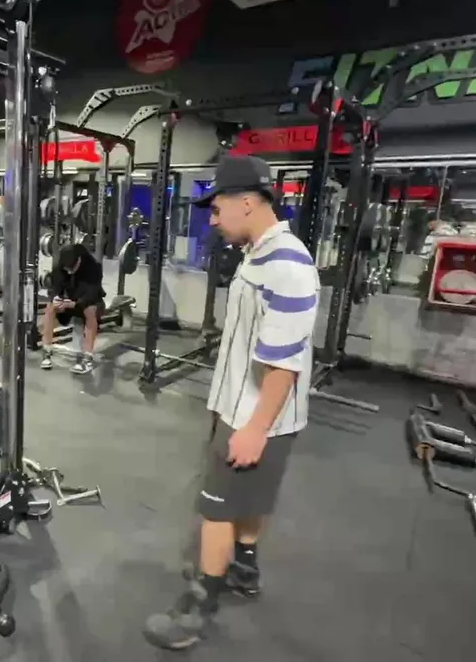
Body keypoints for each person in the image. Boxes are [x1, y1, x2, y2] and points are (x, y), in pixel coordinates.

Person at [143, 155, 320, 651]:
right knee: (249, 500)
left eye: (218, 208)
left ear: (247, 202)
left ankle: (198, 610)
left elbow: (284, 363)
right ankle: (244, 567)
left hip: (255, 415)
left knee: (216, 510)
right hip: (241, 409)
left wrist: (255, 428)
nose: (214, 220)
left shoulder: (286, 265)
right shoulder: (258, 253)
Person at [40, 242, 105, 374]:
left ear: (79, 260)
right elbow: (54, 287)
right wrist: (56, 297)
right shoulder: (61, 266)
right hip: (69, 303)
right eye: (67, 269)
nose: (69, 271)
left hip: (90, 303)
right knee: (50, 307)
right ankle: (46, 351)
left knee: (90, 310)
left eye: (72, 268)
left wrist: (75, 304)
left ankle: (87, 359)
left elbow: (92, 295)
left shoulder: (94, 268)